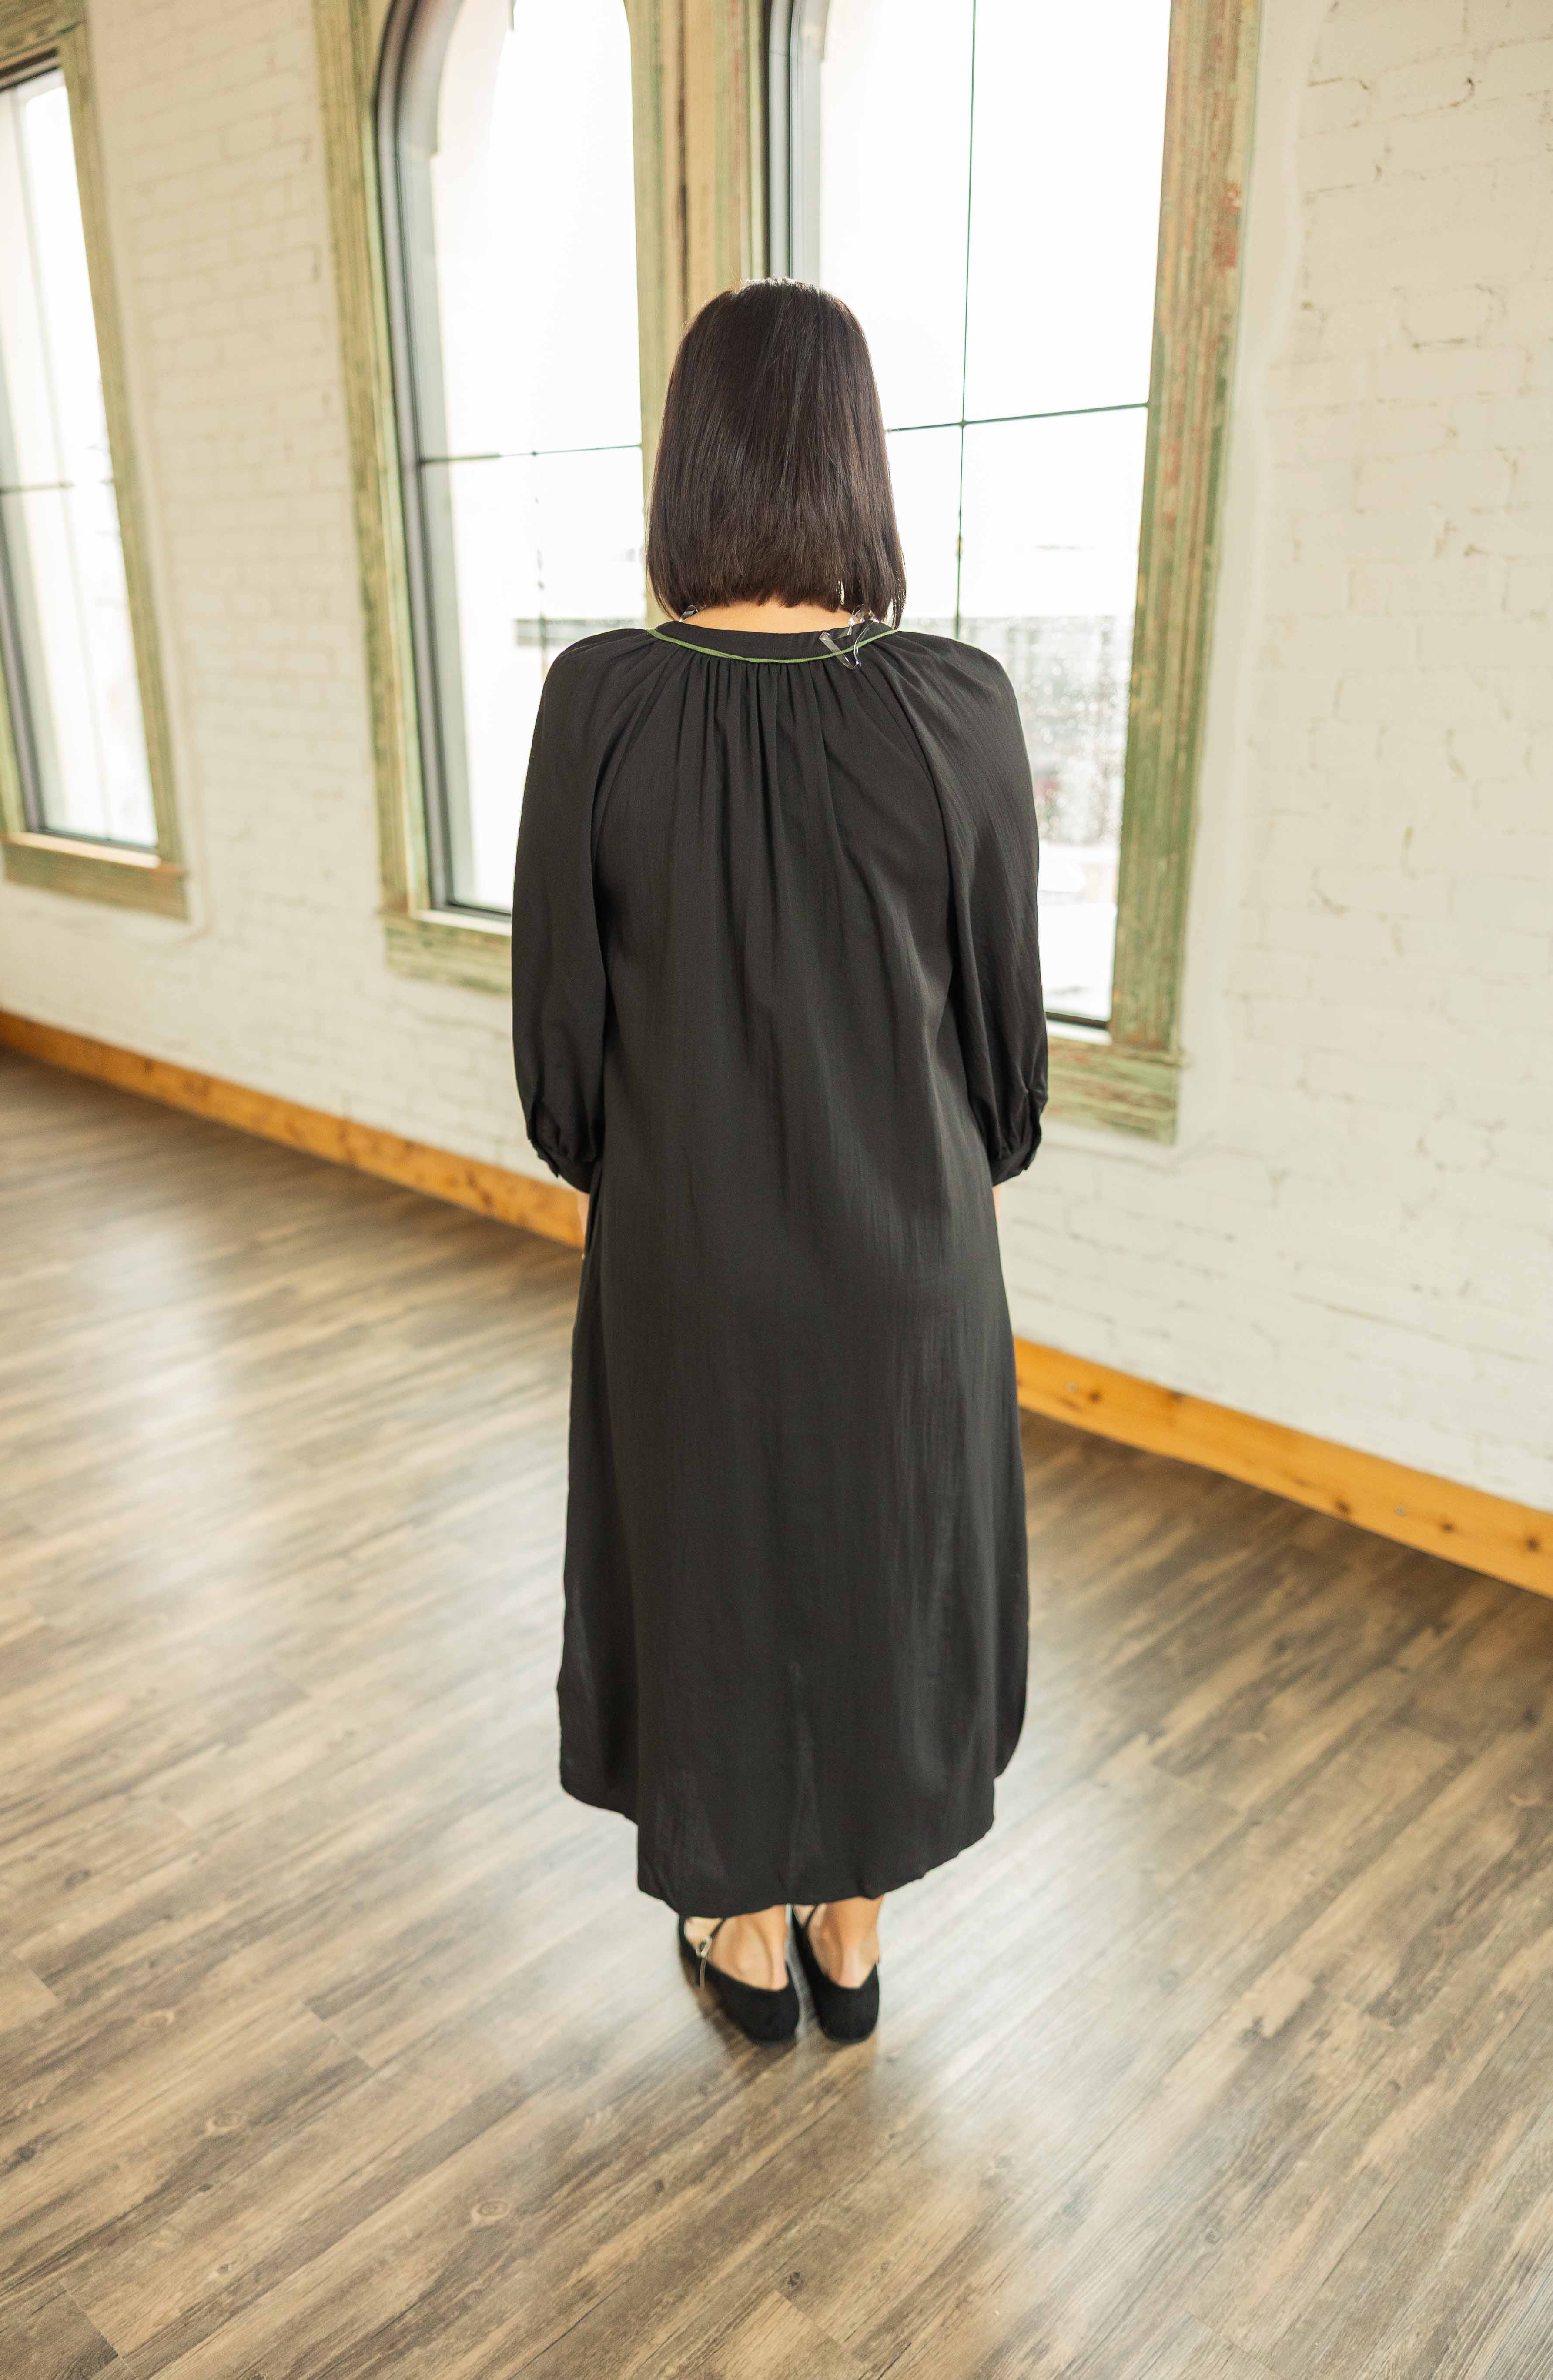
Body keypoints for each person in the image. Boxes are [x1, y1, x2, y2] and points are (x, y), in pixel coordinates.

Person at [512, 279, 1047, 2048]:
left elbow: (561, 1045)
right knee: (895, 1570)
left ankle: (741, 1932)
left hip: (687, 1242)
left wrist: (659, 1178)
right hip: (910, 1249)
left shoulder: (599, 700)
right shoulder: (957, 702)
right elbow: (1006, 1057)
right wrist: (925, 1176)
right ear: (858, 462)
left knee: (711, 1571)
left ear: (692, 461)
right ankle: (856, 1931)